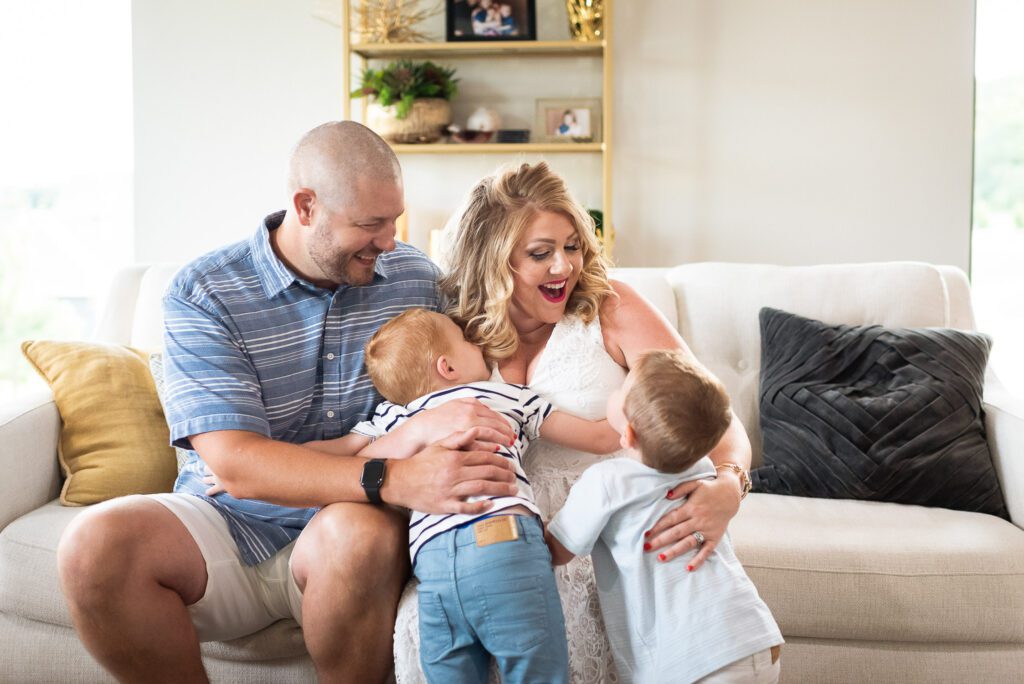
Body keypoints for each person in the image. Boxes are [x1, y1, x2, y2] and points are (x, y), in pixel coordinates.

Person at [55, 121, 519, 683]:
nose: (389, 240)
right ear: (306, 206)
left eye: (394, 219)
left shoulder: (414, 280)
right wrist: (392, 477)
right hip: (227, 521)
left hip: (350, 532)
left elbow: (497, 347)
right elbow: (236, 464)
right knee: (93, 546)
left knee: (356, 535)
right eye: (370, 224)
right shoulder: (205, 292)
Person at [435, 161, 754, 680]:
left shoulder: (611, 308)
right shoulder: (454, 335)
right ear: (494, 261)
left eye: (573, 245)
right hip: (512, 537)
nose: (564, 267)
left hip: (613, 531)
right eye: (540, 253)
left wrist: (729, 487)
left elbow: (713, 417)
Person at [353, 308, 620, 682]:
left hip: (431, 557)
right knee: (535, 670)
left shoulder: (395, 417)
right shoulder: (507, 395)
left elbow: (352, 463)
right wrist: (634, 397)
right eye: (466, 340)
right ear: (447, 367)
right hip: (503, 541)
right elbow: (601, 437)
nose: (476, 343)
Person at [546, 349, 783, 683]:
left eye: (622, 388)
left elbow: (555, 548)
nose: (615, 391)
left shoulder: (608, 482)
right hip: (754, 637)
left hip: (695, 661)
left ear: (628, 434)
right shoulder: (703, 471)